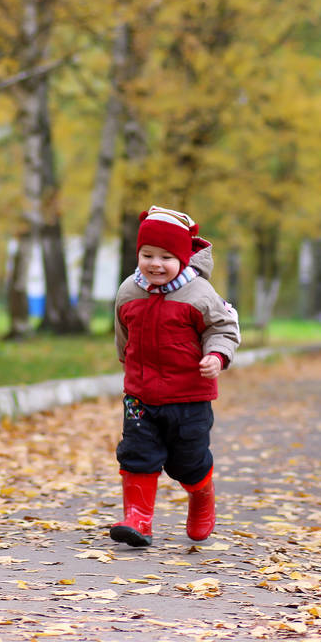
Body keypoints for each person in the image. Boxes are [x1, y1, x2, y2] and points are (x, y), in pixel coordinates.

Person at [111, 205, 241, 547]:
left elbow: (223, 328)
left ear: (183, 258)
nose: (155, 264)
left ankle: (201, 495)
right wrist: (126, 361)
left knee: (188, 461)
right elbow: (123, 332)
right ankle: (138, 519)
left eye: (166, 257)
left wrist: (216, 355)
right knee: (136, 452)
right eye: (147, 254)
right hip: (140, 395)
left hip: (189, 397)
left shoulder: (199, 295)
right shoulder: (128, 291)